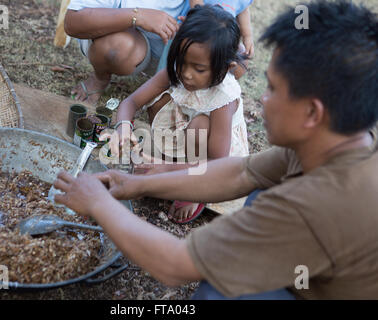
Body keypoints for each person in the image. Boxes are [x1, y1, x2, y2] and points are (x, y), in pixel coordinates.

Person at [54, 0, 378, 299]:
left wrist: (98, 203)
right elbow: (241, 170)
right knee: (258, 191)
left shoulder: (312, 207)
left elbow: (176, 265)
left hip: (306, 247)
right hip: (318, 248)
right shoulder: (336, 141)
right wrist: (140, 182)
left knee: (216, 291)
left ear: (313, 113)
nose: (263, 99)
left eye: (274, 89)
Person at [106, 5, 249, 223]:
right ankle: (172, 164)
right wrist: (123, 127)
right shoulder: (178, 70)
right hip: (187, 135)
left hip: (215, 159)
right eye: (182, 62)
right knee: (162, 101)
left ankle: (194, 190)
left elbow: (216, 164)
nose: (186, 74)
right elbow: (131, 102)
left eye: (199, 69)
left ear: (225, 68)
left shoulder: (223, 99)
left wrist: (165, 168)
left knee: (200, 123)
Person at [64, 0, 186, 105]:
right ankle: (100, 78)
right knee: (116, 48)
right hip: (120, 39)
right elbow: (72, 22)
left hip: (173, 54)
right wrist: (138, 15)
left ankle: (175, 89)